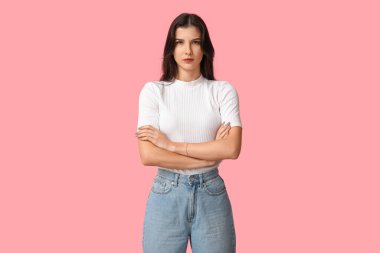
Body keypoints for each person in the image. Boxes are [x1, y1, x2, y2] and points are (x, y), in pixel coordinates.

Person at [136, 12, 242, 253]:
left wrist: (171, 145)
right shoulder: (154, 91)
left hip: (211, 194)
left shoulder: (222, 91)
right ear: (170, 48)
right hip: (166, 194)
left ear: (204, 48)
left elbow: (232, 148)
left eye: (195, 42)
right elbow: (148, 155)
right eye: (179, 42)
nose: (188, 51)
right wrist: (211, 156)